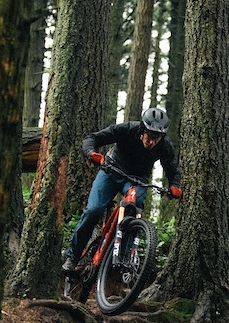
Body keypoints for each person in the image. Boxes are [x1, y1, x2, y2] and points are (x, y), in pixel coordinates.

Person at [62, 107, 183, 272]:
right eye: (150, 137)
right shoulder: (127, 129)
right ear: (142, 130)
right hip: (111, 171)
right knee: (93, 210)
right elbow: (93, 138)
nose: (152, 142)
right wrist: (91, 153)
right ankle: (73, 256)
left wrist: (175, 186)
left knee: (133, 209)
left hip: (137, 180)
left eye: (157, 138)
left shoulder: (164, 146)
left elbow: (172, 168)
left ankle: (123, 259)